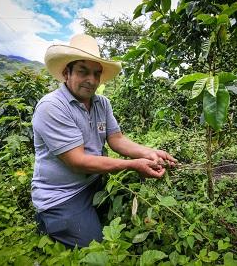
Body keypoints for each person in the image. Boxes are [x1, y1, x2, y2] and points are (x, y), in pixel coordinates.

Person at [31, 34, 177, 248]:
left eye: (96, 73)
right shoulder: (52, 107)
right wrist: (133, 165)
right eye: (83, 71)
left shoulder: (102, 103)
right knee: (96, 248)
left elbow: (116, 139)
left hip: (94, 182)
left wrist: (149, 152)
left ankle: (77, 218)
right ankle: (49, 220)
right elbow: (77, 161)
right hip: (62, 194)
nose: (91, 80)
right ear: (66, 73)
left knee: (124, 215)